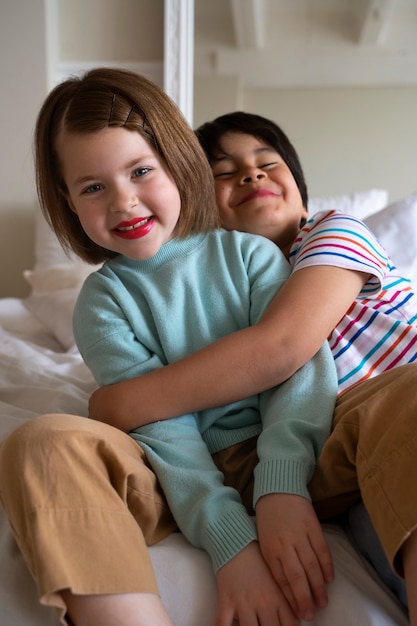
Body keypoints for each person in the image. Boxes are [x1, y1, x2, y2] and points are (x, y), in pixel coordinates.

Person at [0, 72, 339, 626]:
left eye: (140, 171)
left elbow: (296, 371)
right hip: (172, 476)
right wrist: (230, 539)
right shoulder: (102, 302)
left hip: (300, 456)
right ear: (67, 199)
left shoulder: (250, 256)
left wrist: (281, 486)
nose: (123, 202)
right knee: (39, 444)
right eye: (93, 187)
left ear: (178, 164)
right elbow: (160, 425)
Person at [89, 111, 417, 623]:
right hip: (349, 451)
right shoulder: (227, 288)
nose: (252, 174)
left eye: (268, 162)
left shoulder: (331, 232)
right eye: (225, 171)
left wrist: (124, 400)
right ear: (194, 201)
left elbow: (281, 346)